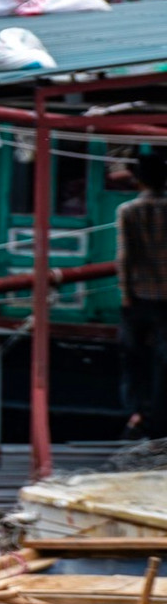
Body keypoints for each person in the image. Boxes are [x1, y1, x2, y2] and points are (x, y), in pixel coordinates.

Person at [120, 153, 167, 437]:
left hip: (138, 296)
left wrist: (126, 294)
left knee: (133, 358)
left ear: (137, 180)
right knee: (164, 362)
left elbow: (125, 257)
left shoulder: (128, 211)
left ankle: (137, 414)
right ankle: (161, 421)